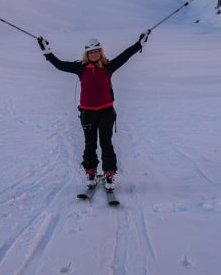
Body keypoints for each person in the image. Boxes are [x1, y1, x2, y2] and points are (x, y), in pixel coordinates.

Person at [37, 31, 150, 191]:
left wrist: (139, 44)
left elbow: (125, 56)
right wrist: (46, 51)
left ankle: (109, 174)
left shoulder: (108, 66)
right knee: (89, 144)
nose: (94, 54)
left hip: (106, 112)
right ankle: (91, 173)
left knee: (106, 143)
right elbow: (59, 65)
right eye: (91, 52)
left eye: (97, 51)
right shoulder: (80, 68)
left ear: (100, 52)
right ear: (87, 54)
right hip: (87, 113)